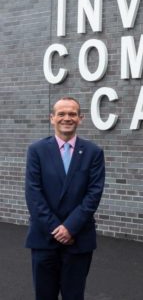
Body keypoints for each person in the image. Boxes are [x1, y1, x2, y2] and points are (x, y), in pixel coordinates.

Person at [25, 97, 105, 300]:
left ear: (81, 118)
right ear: (52, 118)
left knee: (74, 296)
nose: (66, 118)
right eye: (61, 113)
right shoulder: (37, 151)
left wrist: (70, 228)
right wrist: (56, 228)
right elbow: (34, 194)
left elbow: (93, 194)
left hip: (78, 238)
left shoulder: (93, 152)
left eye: (72, 114)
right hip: (44, 237)